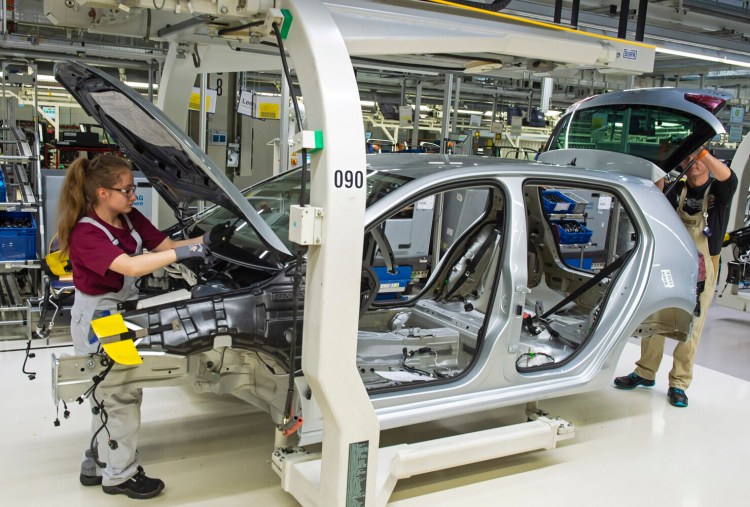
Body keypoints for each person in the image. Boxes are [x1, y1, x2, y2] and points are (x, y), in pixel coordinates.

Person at [58, 155, 212, 499]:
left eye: (132, 189)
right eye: (125, 190)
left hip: (117, 312)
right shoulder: (86, 232)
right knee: (121, 394)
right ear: (101, 193)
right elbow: (129, 267)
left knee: (107, 393)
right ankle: (119, 476)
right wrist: (192, 251)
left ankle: (96, 462)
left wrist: (209, 242)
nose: (133, 196)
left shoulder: (129, 218)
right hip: (98, 319)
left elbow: (167, 247)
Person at [614, 148, 738, 407]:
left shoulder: (718, 192)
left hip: (703, 265)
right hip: (671, 261)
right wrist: (665, 160)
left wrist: (700, 152)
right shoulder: (676, 189)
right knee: (654, 316)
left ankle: (679, 383)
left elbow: (729, 178)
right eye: (687, 159)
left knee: (692, 326)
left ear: (706, 159)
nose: (691, 163)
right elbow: (655, 192)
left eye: (697, 159)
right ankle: (645, 372)